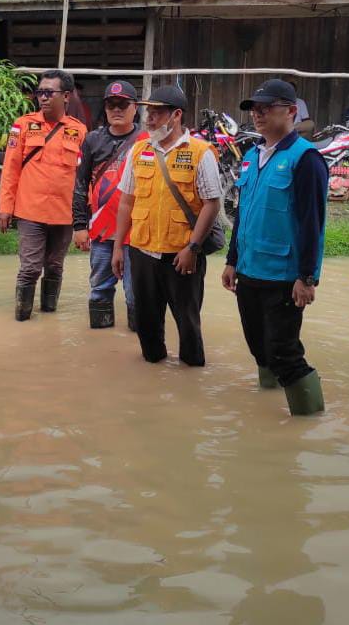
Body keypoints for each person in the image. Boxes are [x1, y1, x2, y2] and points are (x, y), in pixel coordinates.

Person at [222, 79, 329, 416]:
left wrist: (307, 277)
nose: (259, 114)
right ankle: (267, 403)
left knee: (284, 351)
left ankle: (308, 418)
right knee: (258, 346)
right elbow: (243, 212)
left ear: (292, 112)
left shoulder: (306, 159)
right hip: (249, 270)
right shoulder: (252, 156)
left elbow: (312, 223)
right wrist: (231, 260)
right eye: (255, 109)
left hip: (283, 276)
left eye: (267, 108)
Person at [111, 84, 222, 367]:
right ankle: (153, 367)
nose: (149, 119)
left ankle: (192, 372)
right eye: (149, 113)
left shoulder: (200, 152)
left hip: (181, 255)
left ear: (176, 116)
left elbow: (212, 204)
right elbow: (126, 202)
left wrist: (193, 249)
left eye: (157, 114)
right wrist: (117, 248)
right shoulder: (138, 150)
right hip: (142, 251)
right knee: (146, 322)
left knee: (188, 322)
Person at [0, 69, 87, 321]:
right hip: (30, 210)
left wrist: (84, 218)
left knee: (55, 267)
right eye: (40, 92)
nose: (43, 97)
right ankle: (22, 317)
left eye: (49, 92)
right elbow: (11, 168)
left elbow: (84, 178)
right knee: (29, 269)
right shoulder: (23, 125)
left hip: (64, 212)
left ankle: (49, 317)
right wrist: (5, 206)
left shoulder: (79, 131)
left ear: (66, 96)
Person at [72, 80, 148, 330]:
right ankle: (102, 346)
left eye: (123, 104)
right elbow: (80, 184)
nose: (117, 109)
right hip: (102, 233)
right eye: (111, 105)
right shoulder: (92, 140)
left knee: (136, 294)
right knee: (100, 290)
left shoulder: (146, 140)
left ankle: (138, 347)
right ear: (105, 109)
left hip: (137, 234)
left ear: (134, 107)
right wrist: (79, 225)